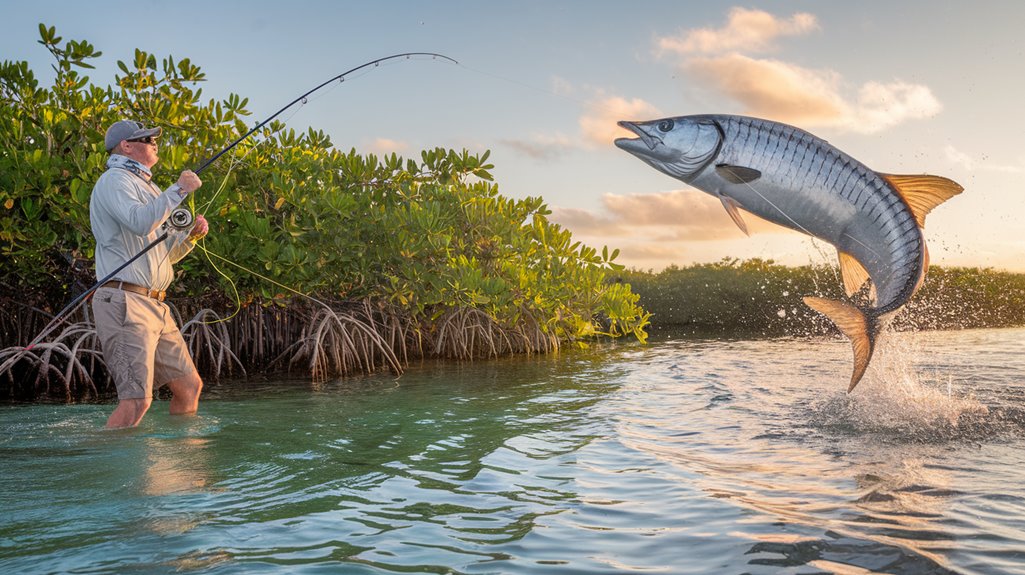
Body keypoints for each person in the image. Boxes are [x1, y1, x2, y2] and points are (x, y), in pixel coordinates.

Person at [90, 120, 209, 429]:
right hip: (124, 301)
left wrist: (191, 237)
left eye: (154, 138)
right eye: (145, 138)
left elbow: (163, 254)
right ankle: (102, 468)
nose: (154, 142)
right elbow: (140, 222)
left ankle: (182, 464)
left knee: (189, 388)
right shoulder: (114, 180)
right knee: (136, 402)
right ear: (126, 146)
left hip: (156, 306)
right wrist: (180, 189)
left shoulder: (151, 188)